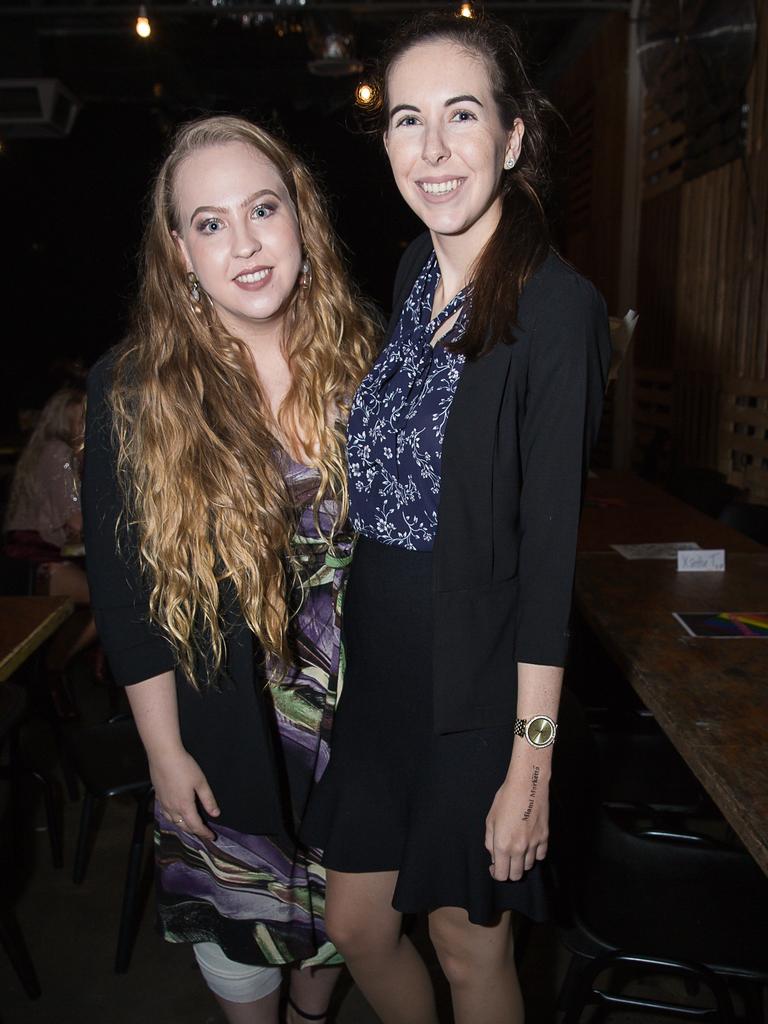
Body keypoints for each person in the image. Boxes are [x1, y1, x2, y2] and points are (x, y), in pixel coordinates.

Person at [302, 12, 611, 1024]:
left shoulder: (557, 310)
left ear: (513, 137)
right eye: (405, 119)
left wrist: (531, 761)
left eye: (461, 115)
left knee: (465, 942)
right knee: (355, 923)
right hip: (383, 662)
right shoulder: (413, 276)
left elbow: (547, 564)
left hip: (478, 675)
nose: (431, 151)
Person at [83, 115, 377, 1024]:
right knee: (245, 963)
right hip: (222, 736)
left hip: (361, 740)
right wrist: (165, 755)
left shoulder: (367, 358)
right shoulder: (135, 388)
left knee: (337, 948)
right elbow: (126, 599)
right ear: (178, 252)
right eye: (210, 223)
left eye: (263, 209)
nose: (245, 244)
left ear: (302, 219)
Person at [4, 386, 96, 715]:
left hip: (27, 559)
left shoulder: (49, 450)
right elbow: (79, 521)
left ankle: (53, 672)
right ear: (64, 419)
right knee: (113, 602)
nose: (91, 424)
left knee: (103, 602)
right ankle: (50, 674)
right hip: (34, 562)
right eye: (82, 418)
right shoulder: (58, 452)